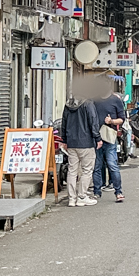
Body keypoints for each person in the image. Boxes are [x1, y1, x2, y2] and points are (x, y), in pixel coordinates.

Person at [59, 79, 101, 207]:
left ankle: (72, 198)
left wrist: (65, 140)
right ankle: (82, 196)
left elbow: (63, 123)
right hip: (86, 142)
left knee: (72, 170)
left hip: (71, 143)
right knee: (87, 170)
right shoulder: (88, 104)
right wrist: (98, 138)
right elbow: (93, 122)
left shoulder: (67, 105)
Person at [94, 76, 126, 202]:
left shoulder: (115, 100)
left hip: (109, 137)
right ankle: (97, 192)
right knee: (97, 166)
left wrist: (111, 121)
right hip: (96, 137)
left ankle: (118, 191)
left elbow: (122, 119)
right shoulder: (94, 100)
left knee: (112, 164)